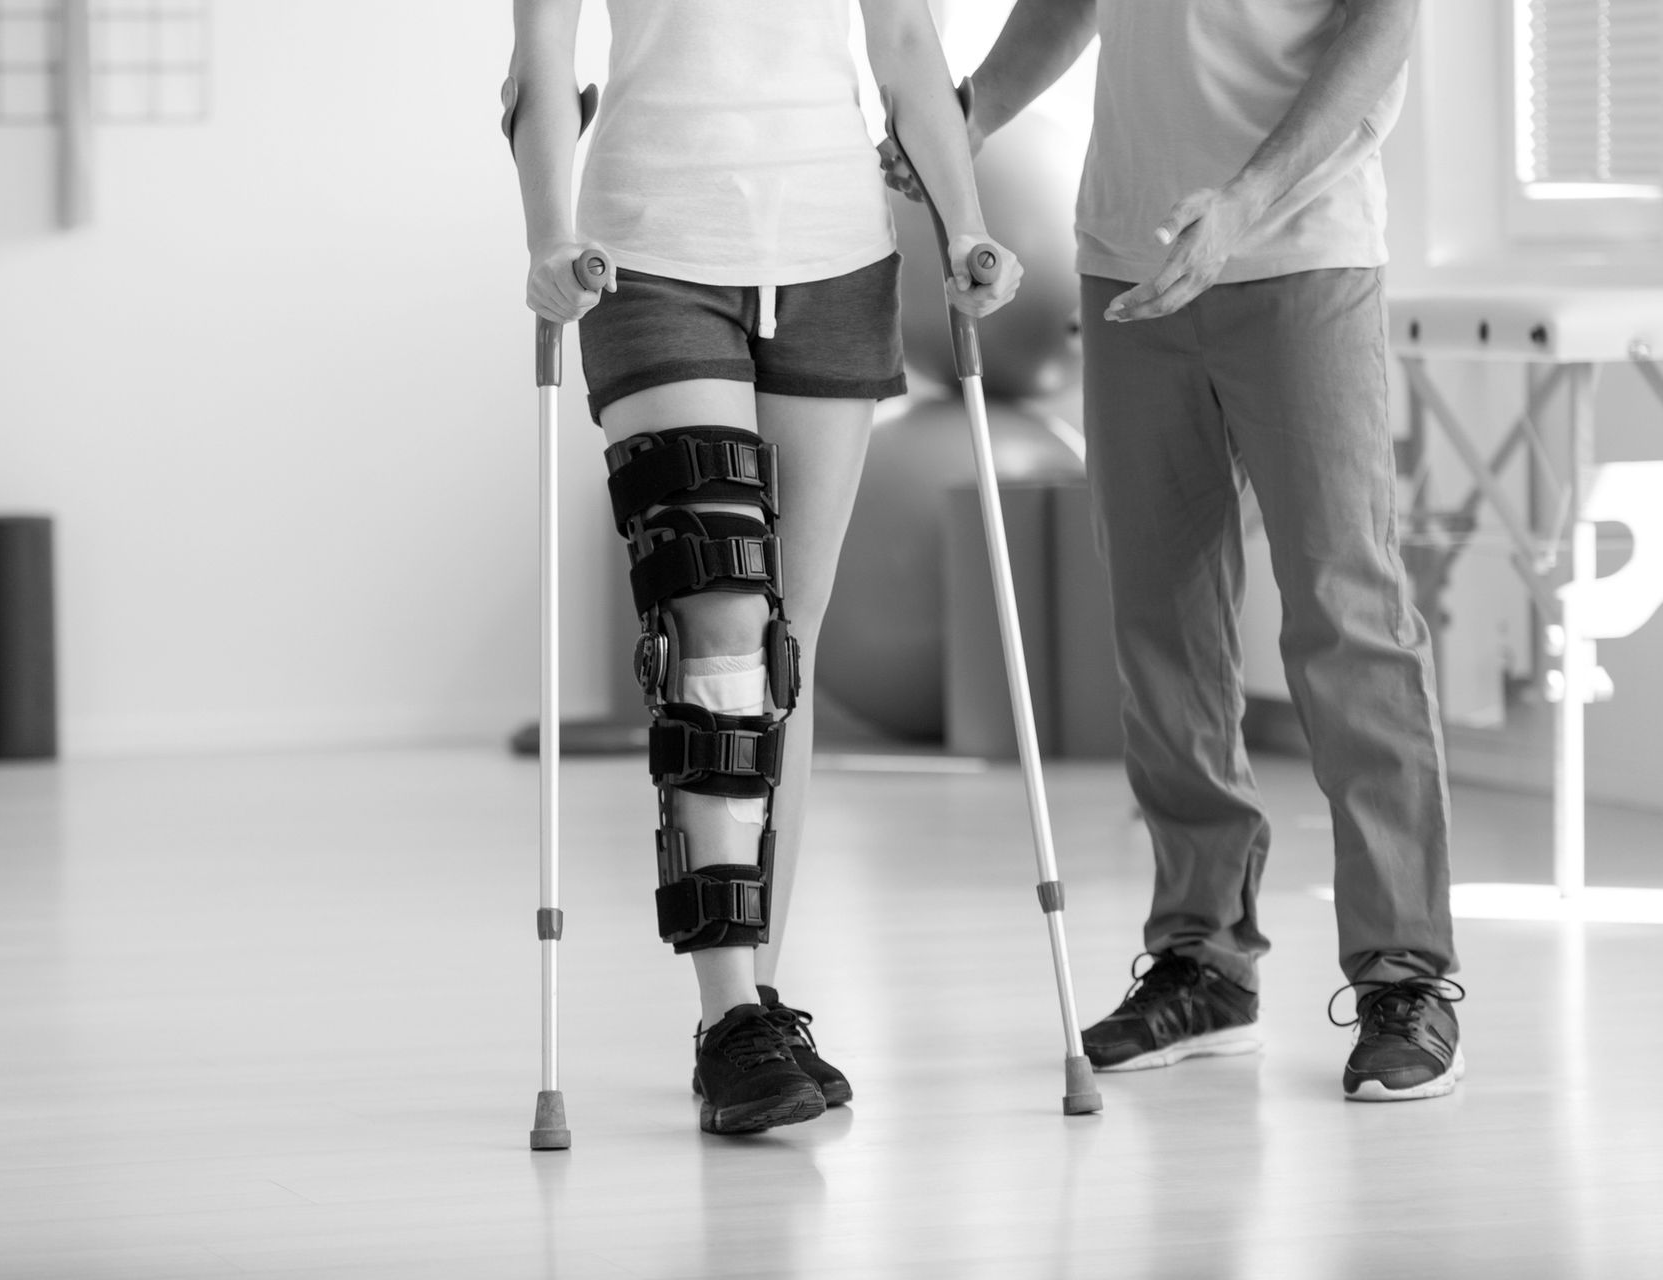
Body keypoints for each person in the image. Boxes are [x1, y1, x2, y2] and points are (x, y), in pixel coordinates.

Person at [891, 0, 1464, 1101]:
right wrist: (966, 119)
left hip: (1299, 247)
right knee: (1162, 618)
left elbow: (1381, 25)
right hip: (1130, 253)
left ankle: (1408, 974)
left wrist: (1248, 198)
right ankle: (1202, 958)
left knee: (1347, 611)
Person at [508, 0, 1021, 1134]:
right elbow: (538, 71)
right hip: (647, 256)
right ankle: (730, 1007)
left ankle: (753, 1006)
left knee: (783, 655)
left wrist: (967, 225)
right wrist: (548, 235)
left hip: (835, 257)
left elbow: (906, 50)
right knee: (718, 632)